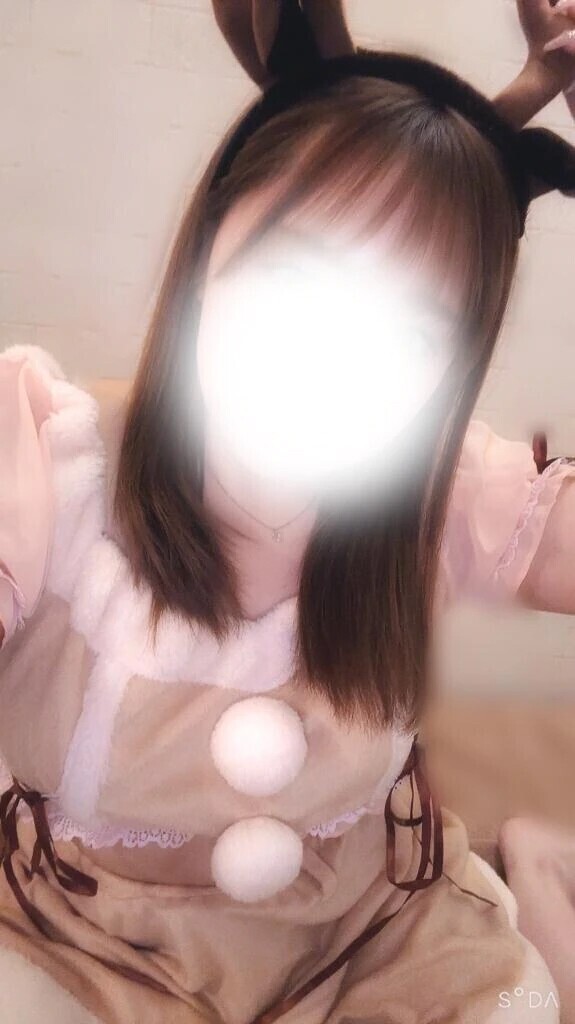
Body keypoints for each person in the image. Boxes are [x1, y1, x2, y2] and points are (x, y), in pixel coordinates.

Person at [0, 1, 575, 1022]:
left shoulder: (445, 498)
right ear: (208, 246)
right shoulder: (49, 462)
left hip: (364, 939)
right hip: (85, 943)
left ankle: (529, 866)